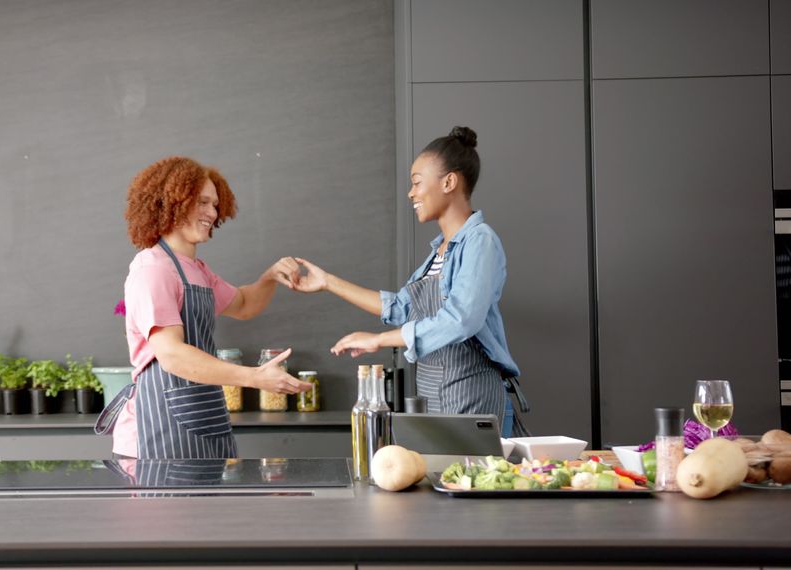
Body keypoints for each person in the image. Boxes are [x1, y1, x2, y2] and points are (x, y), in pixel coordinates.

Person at [292, 126, 528, 437]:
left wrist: (378, 340)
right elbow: (401, 307)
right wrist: (327, 282)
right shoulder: (438, 251)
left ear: (449, 182)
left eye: (417, 183)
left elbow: (461, 320)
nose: (411, 193)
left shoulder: (479, 241)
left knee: (469, 484)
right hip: (434, 394)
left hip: (471, 395)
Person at [95, 156, 312, 459]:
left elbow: (246, 305)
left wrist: (270, 276)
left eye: (215, 205)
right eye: (202, 202)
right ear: (172, 202)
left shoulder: (196, 269)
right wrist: (253, 378)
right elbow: (171, 355)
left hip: (204, 416)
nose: (213, 212)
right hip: (157, 430)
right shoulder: (153, 270)